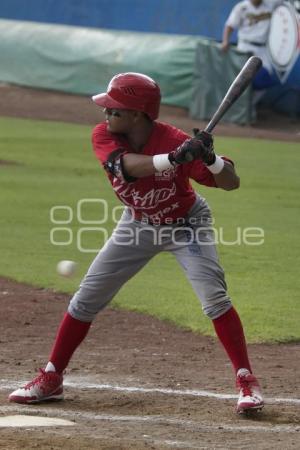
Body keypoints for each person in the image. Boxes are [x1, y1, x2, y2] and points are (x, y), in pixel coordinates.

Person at [9, 72, 264, 414]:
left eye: (114, 109)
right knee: (86, 298)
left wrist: (209, 158)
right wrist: (175, 159)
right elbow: (125, 168)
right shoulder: (105, 135)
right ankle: (51, 377)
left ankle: (247, 381)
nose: (106, 115)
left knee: (214, 298)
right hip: (138, 224)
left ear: (137, 114)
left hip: (187, 224)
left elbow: (230, 183)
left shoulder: (172, 138)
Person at [221, 0, 283, 89]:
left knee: (266, 78)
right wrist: (225, 40)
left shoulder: (270, 4)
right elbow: (229, 25)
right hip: (245, 46)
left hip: (262, 48)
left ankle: (252, 102)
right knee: (243, 79)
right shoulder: (242, 7)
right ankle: (244, 102)